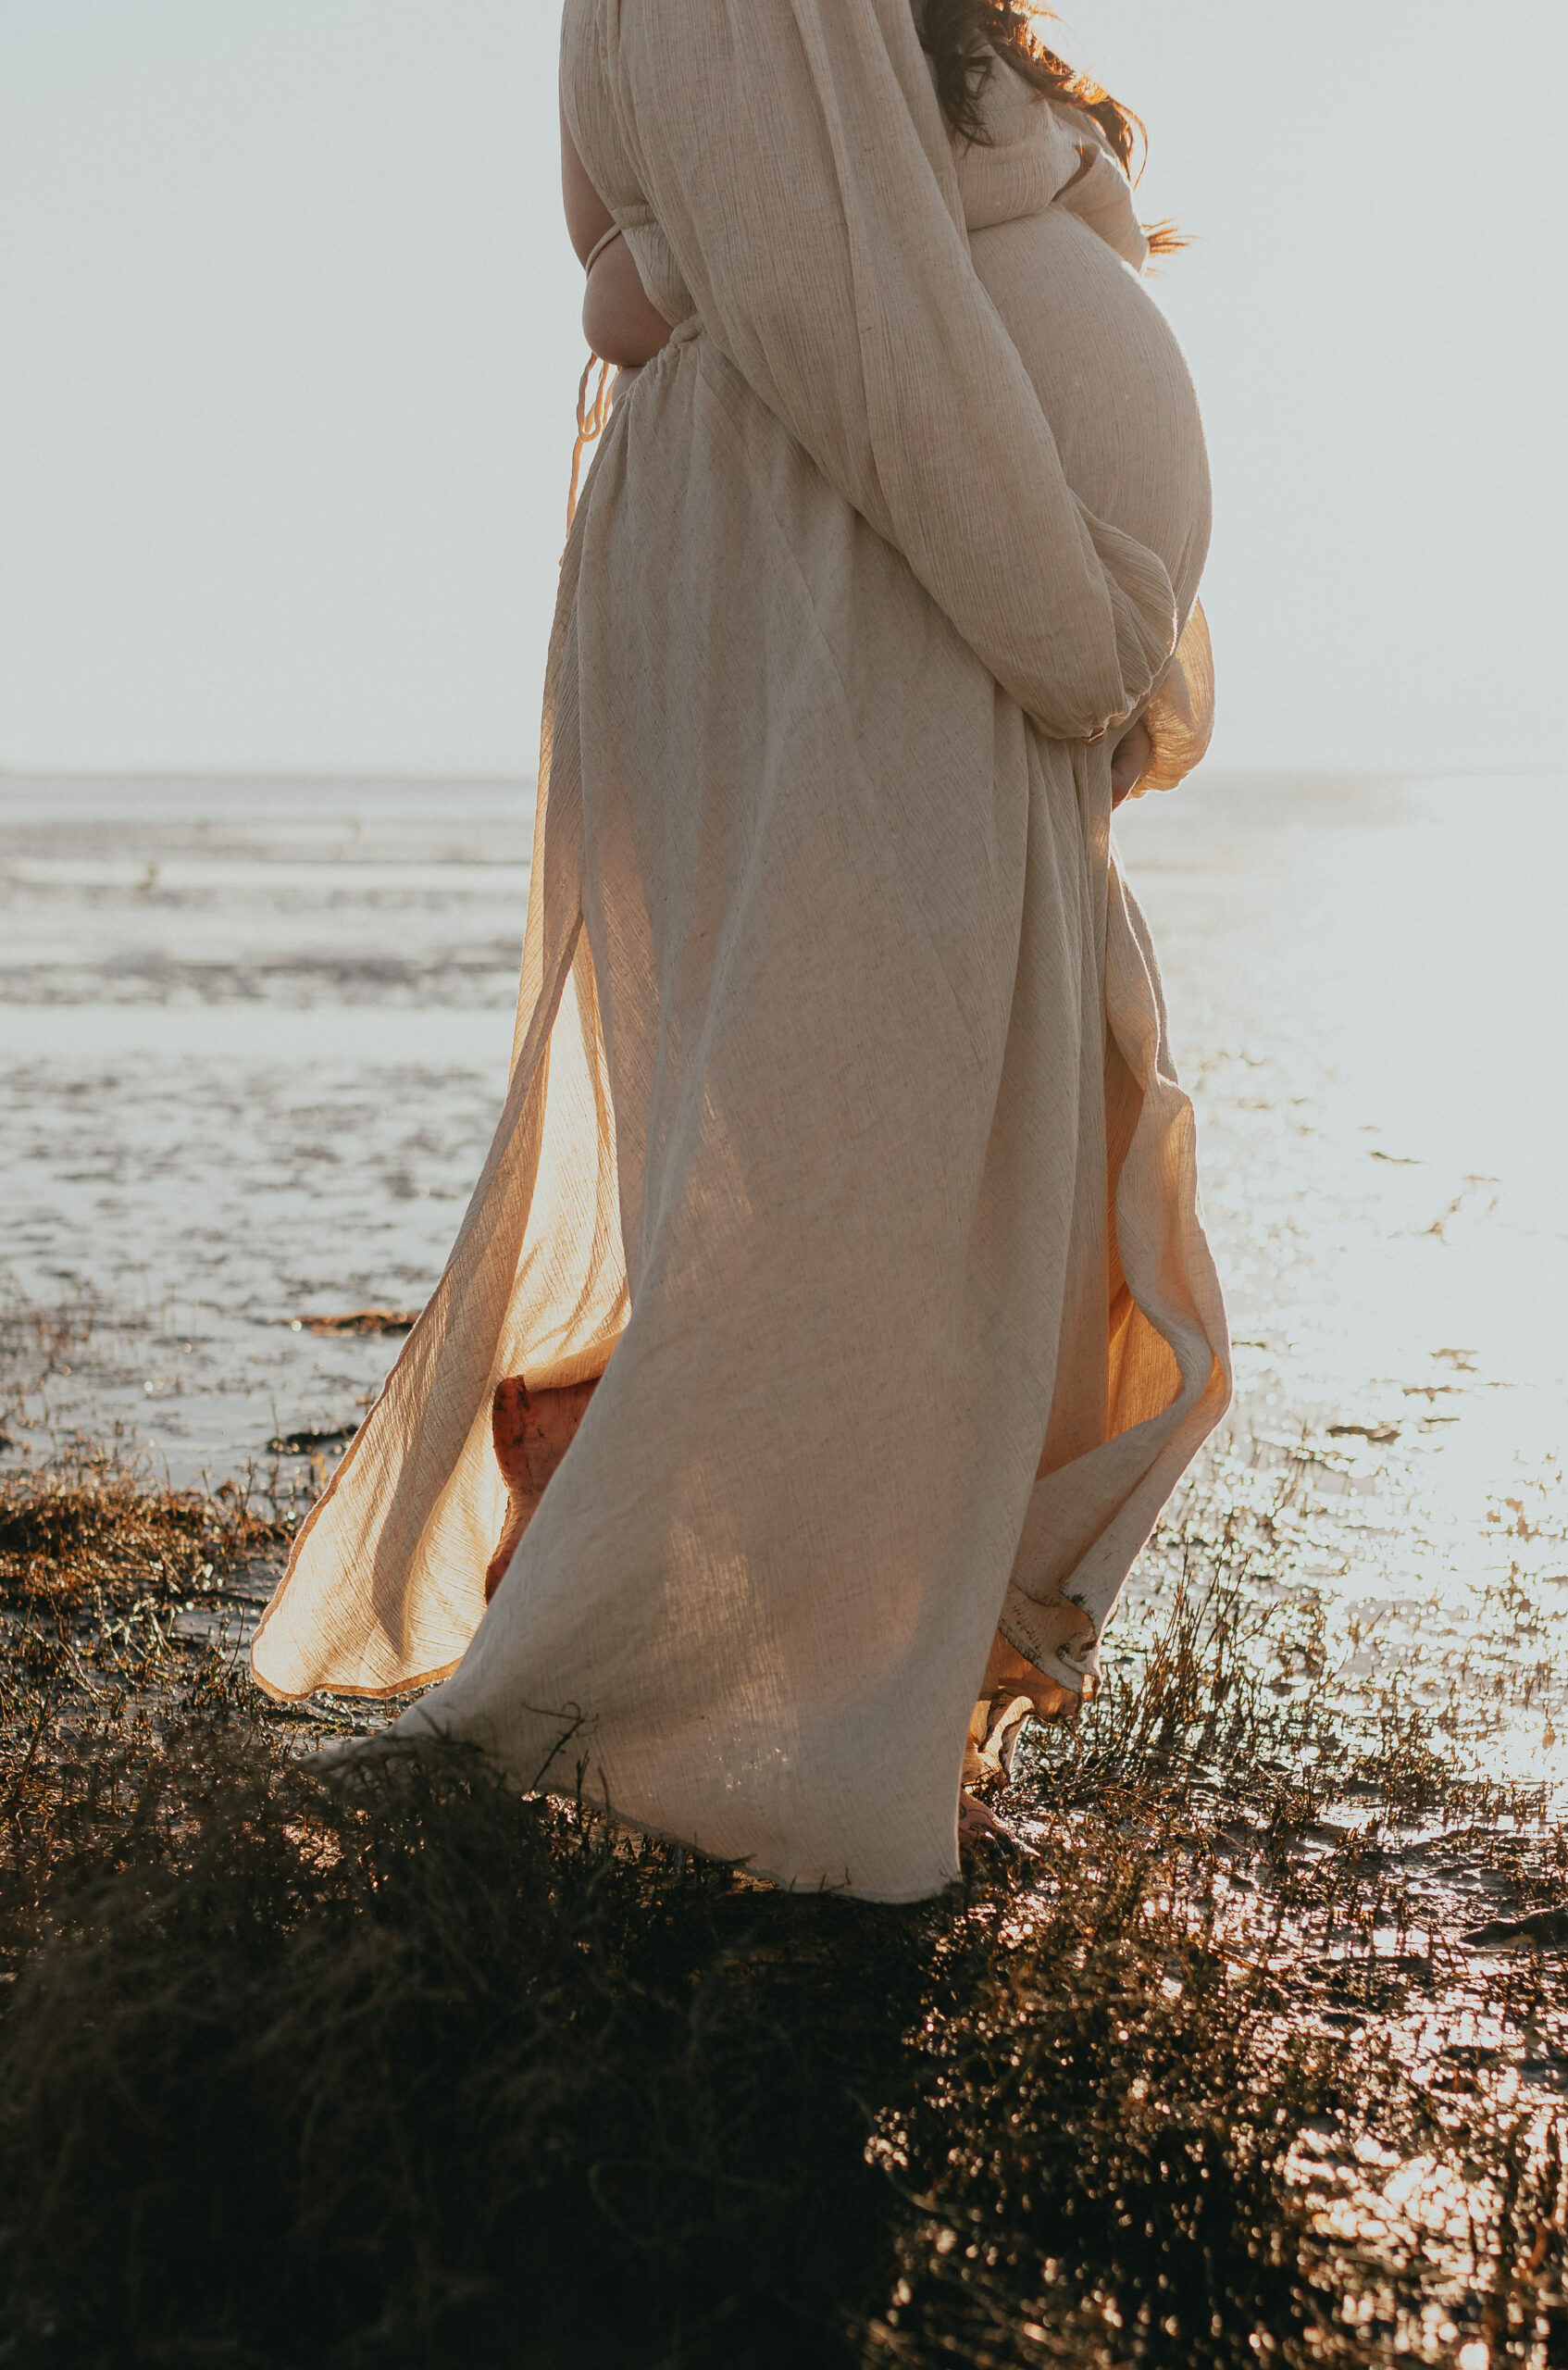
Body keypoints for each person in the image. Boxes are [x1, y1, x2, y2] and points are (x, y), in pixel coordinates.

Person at [251, 0, 1230, 1902]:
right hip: (842, 582)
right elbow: (794, 306)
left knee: (901, 1185)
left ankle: (838, 1708)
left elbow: (783, 270)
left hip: (898, 591)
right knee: (839, 1189)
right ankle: (715, 1729)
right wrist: (1073, 628)